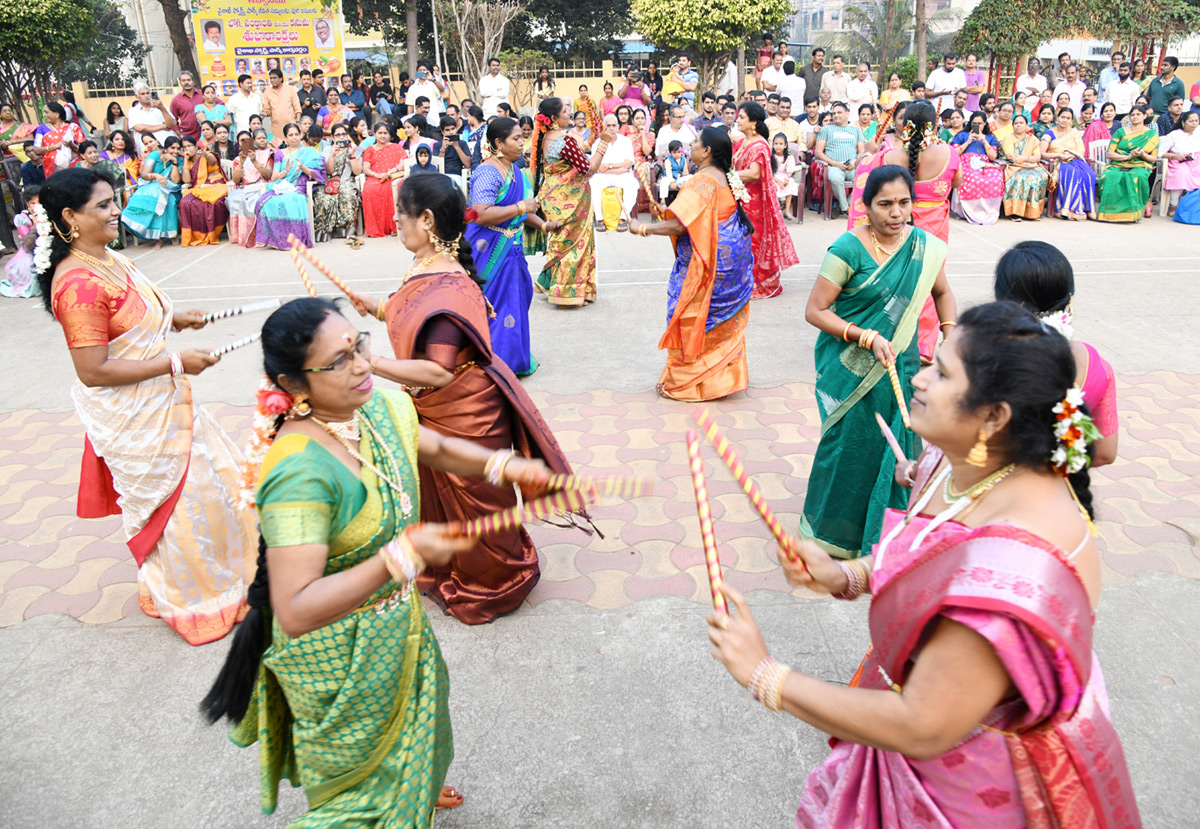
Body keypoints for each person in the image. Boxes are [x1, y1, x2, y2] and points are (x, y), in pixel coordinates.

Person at [714, 297, 1141, 826]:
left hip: (967, 787)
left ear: (993, 416)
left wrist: (766, 674)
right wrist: (845, 574)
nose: (918, 379)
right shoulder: (954, 462)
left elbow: (922, 724)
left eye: (941, 373)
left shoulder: (1017, 571)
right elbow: (927, 551)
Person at [200, 298, 552, 821]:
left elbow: (434, 447)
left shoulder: (378, 410)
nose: (362, 365)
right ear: (294, 387)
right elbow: (294, 609)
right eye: (338, 362)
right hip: (337, 659)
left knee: (422, 723)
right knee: (363, 801)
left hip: (398, 627)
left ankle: (415, 780)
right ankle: (393, 794)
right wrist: (402, 557)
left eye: (358, 345)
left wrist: (506, 465)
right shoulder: (297, 472)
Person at [37, 167, 254, 643]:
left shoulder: (108, 258)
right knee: (180, 508)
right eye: (103, 205)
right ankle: (191, 600)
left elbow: (132, 317)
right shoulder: (76, 284)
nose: (116, 211)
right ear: (70, 216)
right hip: (139, 419)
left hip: (168, 401)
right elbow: (93, 370)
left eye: (115, 201)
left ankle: (223, 582)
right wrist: (174, 362)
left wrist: (175, 319)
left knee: (216, 490)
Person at [350, 175, 577, 623]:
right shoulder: (426, 265)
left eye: (401, 211)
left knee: (477, 508)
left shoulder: (448, 285)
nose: (394, 218)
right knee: (444, 501)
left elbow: (437, 369)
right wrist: (376, 306)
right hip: (442, 409)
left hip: (464, 412)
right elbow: (416, 319)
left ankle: (495, 584)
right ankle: (453, 568)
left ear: (427, 220)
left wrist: (366, 362)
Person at [798, 164, 953, 557]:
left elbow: (943, 293)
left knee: (897, 447)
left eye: (904, 203)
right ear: (866, 207)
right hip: (851, 367)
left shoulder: (924, 247)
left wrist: (950, 341)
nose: (896, 213)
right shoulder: (847, 249)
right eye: (885, 204)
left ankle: (886, 534)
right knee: (848, 444)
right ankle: (830, 533)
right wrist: (864, 335)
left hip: (901, 365)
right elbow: (816, 311)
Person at [629, 126, 754, 400]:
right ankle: (720, 379)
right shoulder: (724, 176)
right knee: (718, 319)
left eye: (696, 141)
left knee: (693, 313)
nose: (691, 144)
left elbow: (678, 227)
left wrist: (643, 228)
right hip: (734, 262)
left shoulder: (701, 181)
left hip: (709, 261)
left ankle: (689, 381)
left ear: (707, 151)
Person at [993, 241, 1118, 466]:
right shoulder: (1096, 364)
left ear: (999, 298)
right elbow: (1105, 452)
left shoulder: (980, 360)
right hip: (1059, 494)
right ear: (1069, 299)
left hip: (990, 494)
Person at [464, 117, 560, 376]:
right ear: (498, 143)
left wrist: (543, 225)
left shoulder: (517, 172)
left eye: (522, 137)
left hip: (512, 249)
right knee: (492, 303)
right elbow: (481, 213)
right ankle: (493, 363)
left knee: (516, 301)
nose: (521, 142)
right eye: (515, 138)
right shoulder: (487, 172)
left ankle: (512, 359)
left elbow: (526, 210)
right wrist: (520, 207)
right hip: (489, 249)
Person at [532, 96, 616, 307]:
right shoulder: (564, 140)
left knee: (560, 242)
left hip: (554, 198)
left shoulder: (547, 138)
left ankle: (557, 285)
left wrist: (592, 140)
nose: (569, 113)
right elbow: (588, 169)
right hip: (571, 200)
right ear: (553, 118)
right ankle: (568, 294)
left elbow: (572, 158)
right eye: (565, 111)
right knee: (574, 245)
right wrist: (603, 143)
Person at [733, 102, 797, 300]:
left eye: (742, 117)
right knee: (742, 241)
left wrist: (730, 175)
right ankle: (743, 282)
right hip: (742, 199)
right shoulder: (744, 141)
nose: (738, 120)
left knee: (754, 241)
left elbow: (754, 173)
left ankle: (760, 283)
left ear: (753, 122)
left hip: (755, 203)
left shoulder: (759, 145)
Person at [253, 122, 324, 248]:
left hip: (299, 187)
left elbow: (317, 175)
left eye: (296, 134)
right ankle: (276, 240)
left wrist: (303, 167)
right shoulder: (280, 153)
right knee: (267, 202)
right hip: (282, 185)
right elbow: (274, 177)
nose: (294, 137)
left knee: (291, 199)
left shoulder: (309, 152)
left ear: (301, 135)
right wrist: (285, 171)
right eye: (290, 135)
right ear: (286, 138)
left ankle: (293, 241)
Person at [1097, 104, 1158, 222]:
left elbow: (1153, 159)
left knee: (1136, 176)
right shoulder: (1121, 132)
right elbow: (1110, 154)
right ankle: (1108, 213)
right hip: (1119, 164)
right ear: (1129, 117)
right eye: (1132, 115)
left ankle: (1135, 213)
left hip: (1140, 164)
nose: (1135, 117)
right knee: (1109, 176)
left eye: (1138, 114)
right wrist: (1127, 156)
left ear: (1145, 116)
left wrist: (1142, 154)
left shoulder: (1151, 135)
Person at [121, 134, 182, 247]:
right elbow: (144, 174)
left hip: (172, 189)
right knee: (150, 197)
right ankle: (156, 237)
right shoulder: (155, 155)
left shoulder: (180, 160)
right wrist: (155, 175)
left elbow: (176, 180)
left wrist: (174, 162)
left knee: (168, 199)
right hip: (152, 185)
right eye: (172, 148)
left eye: (178, 148)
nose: (176, 151)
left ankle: (166, 236)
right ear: (166, 148)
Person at [1041, 107, 1097, 221]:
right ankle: (1066, 209)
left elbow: (1081, 150)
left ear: (1071, 120)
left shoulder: (1074, 133)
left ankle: (1088, 208)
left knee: (1089, 174)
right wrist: (1059, 156)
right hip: (1058, 161)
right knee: (1072, 173)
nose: (1064, 120)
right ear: (1057, 117)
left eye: (1068, 118)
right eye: (1062, 117)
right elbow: (1041, 153)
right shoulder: (1049, 133)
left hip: (1074, 159)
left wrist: (1072, 155)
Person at [949, 112, 1003, 224]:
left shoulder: (990, 138)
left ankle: (987, 212)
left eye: (980, 123)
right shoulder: (962, 136)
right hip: (966, 162)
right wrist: (968, 141)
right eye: (974, 123)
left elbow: (992, 156)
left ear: (984, 124)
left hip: (984, 164)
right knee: (973, 178)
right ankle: (966, 211)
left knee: (996, 177)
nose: (977, 126)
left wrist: (984, 141)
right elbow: (954, 153)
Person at [814, 102, 865, 218]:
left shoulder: (856, 130)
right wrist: (834, 163)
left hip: (852, 166)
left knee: (866, 177)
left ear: (847, 113)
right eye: (834, 113)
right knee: (836, 179)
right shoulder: (826, 130)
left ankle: (843, 205)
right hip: (833, 166)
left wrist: (855, 161)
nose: (836, 115)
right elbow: (818, 152)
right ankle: (847, 209)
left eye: (839, 112)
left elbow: (862, 151)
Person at [312, 122, 361, 243]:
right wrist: (332, 155)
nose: (341, 137)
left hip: (346, 181)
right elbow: (329, 171)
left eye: (343, 134)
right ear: (332, 137)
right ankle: (325, 231)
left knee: (347, 193)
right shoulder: (327, 150)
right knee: (322, 197)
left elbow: (358, 171)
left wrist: (352, 156)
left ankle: (348, 231)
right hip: (329, 182)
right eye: (337, 135)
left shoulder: (354, 149)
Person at [588, 113, 637, 232]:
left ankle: (623, 219)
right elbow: (597, 167)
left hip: (622, 175)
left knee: (632, 184)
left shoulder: (625, 141)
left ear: (618, 127)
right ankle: (599, 219)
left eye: (613, 125)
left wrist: (608, 166)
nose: (611, 128)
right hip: (603, 176)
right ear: (604, 127)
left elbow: (627, 164)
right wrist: (618, 169)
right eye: (608, 125)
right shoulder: (598, 143)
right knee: (593, 184)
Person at [178, 136, 229, 245]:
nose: (187, 149)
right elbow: (187, 180)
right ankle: (195, 236)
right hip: (198, 187)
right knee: (185, 202)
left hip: (215, 184)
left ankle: (211, 235)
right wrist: (186, 161)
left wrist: (205, 155)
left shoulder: (207, 154)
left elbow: (213, 163)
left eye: (189, 146)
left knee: (212, 203)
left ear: (196, 146)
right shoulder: (189, 162)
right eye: (184, 147)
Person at [227, 129, 273, 247]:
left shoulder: (270, 154)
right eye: (259, 138)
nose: (262, 140)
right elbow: (236, 180)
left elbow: (268, 175)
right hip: (245, 187)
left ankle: (255, 237)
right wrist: (242, 163)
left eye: (264, 137)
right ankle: (240, 236)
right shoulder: (240, 158)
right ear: (253, 141)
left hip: (262, 186)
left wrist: (254, 161)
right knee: (233, 200)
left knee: (250, 201)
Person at [361, 121, 406, 237]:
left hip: (392, 176)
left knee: (391, 188)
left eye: (385, 133)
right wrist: (377, 175)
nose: (382, 136)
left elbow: (403, 162)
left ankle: (394, 226)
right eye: (379, 133)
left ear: (389, 135)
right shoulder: (369, 150)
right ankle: (374, 228)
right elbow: (365, 168)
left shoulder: (396, 147)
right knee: (369, 190)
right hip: (374, 177)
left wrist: (392, 170)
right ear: (374, 134)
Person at [1000, 114, 1048, 220]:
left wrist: (1025, 159)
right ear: (1012, 126)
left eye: (1021, 123)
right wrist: (1026, 160)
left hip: (1029, 165)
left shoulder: (1033, 139)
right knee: (1021, 178)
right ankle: (1015, 212)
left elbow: (1037, 157)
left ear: (1026, 125)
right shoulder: (1008, 138)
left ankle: (1032, 212)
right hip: (1014, 167)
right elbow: (1011, 156)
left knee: (1042, 175)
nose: (1019, 125)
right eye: (1016, 123)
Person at [29, 103, 85, 182]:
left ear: (56, 114)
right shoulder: (41, 128)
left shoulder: (73, 127)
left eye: (46, 112)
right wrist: (55, 146)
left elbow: (84, 150)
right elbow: (36, 150)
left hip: (74, 166)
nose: (44, 115)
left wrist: (71, 145)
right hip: (53, 169)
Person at [1, 185, 39, 297]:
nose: (36, 205)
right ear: (27, 203)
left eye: (39, 201)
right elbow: (28, 244)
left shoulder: (48, 213)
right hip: (30, 253)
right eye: (33, 203)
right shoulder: (22, 218)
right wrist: (36, 225)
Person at [1160, 110, 1200, 216]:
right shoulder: (1175, 134)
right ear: (1183, 122)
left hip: (1196, 162)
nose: (1194, 123)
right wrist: (1174, 156)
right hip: (1178, 162)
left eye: (1196, 121)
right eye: (1191, 121)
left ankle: (1194, 206)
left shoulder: (1198, 134)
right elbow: (1159, 153)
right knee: (1182, 173)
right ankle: (1173, 205)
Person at [169, 71, 205, 140]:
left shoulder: (202, 95)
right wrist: (179, 134)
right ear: (180, 83)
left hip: (205, 134)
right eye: (183, 80)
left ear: (193, 82)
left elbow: (218, 104)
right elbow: (173, 119)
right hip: (187, 136)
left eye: (188, 80)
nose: (186, 82)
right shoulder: (176, 100)